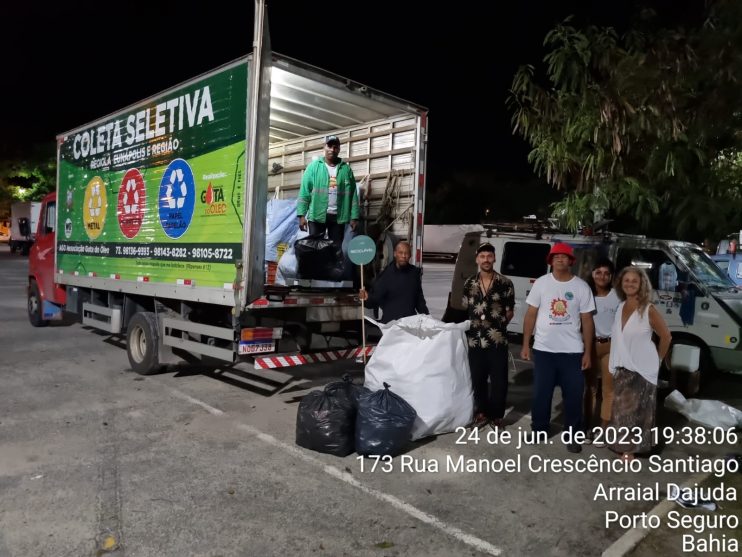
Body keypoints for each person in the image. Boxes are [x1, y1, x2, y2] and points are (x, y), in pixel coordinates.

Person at [521, 243, 595, 453]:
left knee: (573, 396)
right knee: (540, 394)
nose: (560, 260)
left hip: (572, 352)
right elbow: (531, 315)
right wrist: (526, 344)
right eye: (556, 257)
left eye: (565, 257)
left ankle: (573, 435)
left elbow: (587, 321)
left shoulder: (581, 287)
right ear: (551, 260)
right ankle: (539, 430)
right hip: (544, 351)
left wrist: (588, 352)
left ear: (571, 261)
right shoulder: (542, 284)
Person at [608, 266, 671, 460]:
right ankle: (623, 445)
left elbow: (666, 337)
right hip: (622, 366)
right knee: (622, 409)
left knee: (636, 411)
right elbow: (618, 338)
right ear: (621, 283)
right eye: (626, 280)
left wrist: (657, 361)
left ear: (642, 284)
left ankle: (630, 450)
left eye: (634, 281)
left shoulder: (648, 308)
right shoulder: (620, 307)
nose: (629, 284)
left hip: (642, 368)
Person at [462, 242, 515, 429]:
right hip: (475, 340)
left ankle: (496, 416)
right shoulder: (469, 283)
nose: (486, 260)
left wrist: (497, 326)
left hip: (497, 340)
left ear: (494, 258)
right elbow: (465, 309)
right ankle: (482, 413)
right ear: (477, 259)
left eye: (489, 256)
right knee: (478, 378)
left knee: (499, 379)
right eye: (482, 256)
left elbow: (510, 311)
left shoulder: (505, 283)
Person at [296, 135, 359, 248]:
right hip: (316, 216)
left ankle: (333, 266)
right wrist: (301, 215)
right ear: (324, 148)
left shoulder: (346, 169)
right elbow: (304, 191)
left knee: (335, 250)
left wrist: (354, 217)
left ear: (339, 149)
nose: (332, 150)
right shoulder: (313, 167)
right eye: (329, 146)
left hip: (338, 218)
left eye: (335, 147)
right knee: (315, 249)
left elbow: (353, 194)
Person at [584, 258, 620, 444]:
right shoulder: (585, 294)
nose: (602, 276)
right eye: (598, 272)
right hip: (589, 346)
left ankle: (603, 430)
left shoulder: (618, 296)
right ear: (592, 274)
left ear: (611, 276)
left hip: (610, 346)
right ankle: (587, 427)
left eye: (606, 273)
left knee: (608, 390)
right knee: (589, 388)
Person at [358, 241, 428, 323]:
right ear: (395, 254)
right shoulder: (386, 275)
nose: (404, 256)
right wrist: (366, 298)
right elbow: (375, 299)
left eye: (406, 253)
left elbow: (419, 301)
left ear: (410, 255)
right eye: (400, 253)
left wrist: (427, 317)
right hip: (391, 325)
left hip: (410, 325)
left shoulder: (414, 273)